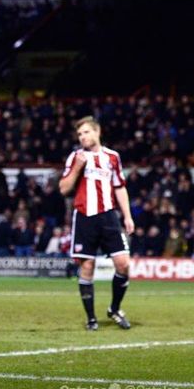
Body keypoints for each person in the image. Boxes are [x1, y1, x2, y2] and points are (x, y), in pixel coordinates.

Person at [59, 116, 135, 331]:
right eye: (80, 134)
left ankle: (114, 308)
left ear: (97, 132)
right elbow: (64, 188)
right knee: (87, 267)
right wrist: (77, 168)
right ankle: (91, 319)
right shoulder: (75, 157)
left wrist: (127, 216)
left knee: (123, 264)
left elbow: (119, 187)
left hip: (109, 216)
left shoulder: (112, 157)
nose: (83, 137)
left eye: (86, 132)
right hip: (84, 217)